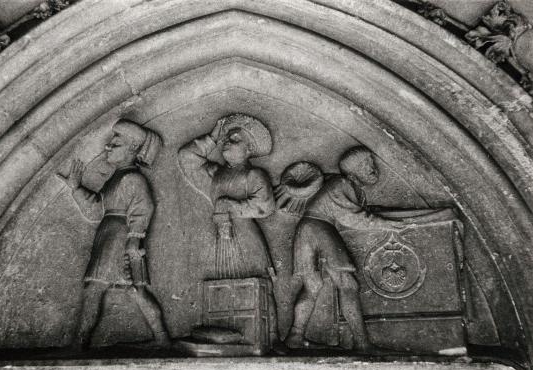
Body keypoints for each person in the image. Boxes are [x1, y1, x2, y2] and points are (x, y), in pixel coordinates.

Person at [281, 147, 404, 351]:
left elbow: (353, 214)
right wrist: (385, 223)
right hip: (319, 229)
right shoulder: (342, 184)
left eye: (371, 164)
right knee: (348, 284)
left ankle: (295, 336)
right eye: (366, 165)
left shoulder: (345, 186)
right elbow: (351, 218)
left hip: (306, 231)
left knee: (312, 287)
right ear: (352, 172)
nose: (373, 169)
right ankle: (363, 344)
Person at [178, 114, 282, 348]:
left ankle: (272, 337)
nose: (227, 141)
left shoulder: (254, 175)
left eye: (235, 139)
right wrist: (212, 138)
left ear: (249, 149)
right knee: (220, 284)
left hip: (246, 236)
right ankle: (228, 334)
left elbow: (266, 207)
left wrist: (232, 205)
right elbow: (186, 157)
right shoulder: (216, 174)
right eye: (226, 138)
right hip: (220, 238)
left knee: (259, 284)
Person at [65, 119, 170, 350]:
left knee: (100, 290)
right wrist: (75, 188)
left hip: (119, 238)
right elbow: (96, 210)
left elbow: (144, 208)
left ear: (132, 149)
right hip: (109, 235)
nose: (108, 147)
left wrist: (134, 239)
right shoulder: (117, 177)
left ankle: (80, 345)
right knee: (134, 291)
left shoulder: (132, 179)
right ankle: (161, 338)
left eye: (116, 144)